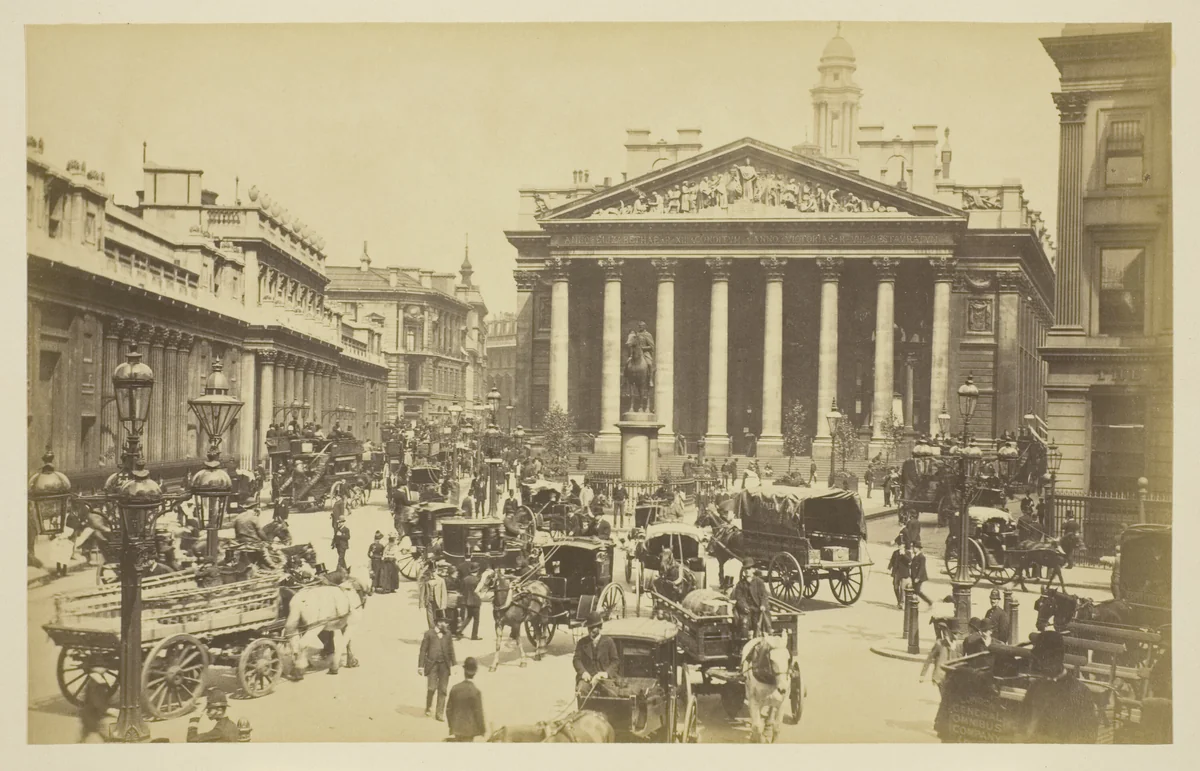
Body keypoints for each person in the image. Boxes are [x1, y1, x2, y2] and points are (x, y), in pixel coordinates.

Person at [1021, 630, 1098, 743]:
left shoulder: (1079, 691)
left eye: (1043, 659)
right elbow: (1022, 722)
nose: (1039, 665)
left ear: (1057, 658)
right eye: (1039, 660)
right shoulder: (1035, 687)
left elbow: (1088, 736)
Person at [418, 612, 457, 721]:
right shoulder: (429, 634)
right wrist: (420, 666)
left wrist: (454, 664)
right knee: (431, 688)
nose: (447, 624)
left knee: (443, 689)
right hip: (432, 665)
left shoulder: (448, 634)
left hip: (445, 665)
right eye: (445, 622)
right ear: (439, 623)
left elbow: (451, 650)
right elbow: (423, 650)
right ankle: (428, 706)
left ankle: (439, 713)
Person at [573, 612, 618, 701]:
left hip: (605, 679)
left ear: (599, 627)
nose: (591, 631)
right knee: (581, 691)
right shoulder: (582, 642)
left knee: (612, 694)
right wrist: (583, 672)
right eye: (589, 628)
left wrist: (606, 673)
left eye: (593, 628)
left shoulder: (609, 642)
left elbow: (615, 661)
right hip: (588, 679)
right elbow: (576, 660)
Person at [446, 657, 486, 742]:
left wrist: (452, 725)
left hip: (456, 728)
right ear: (475, 672)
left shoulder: (455, 688)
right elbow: (478, 713)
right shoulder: (476, 692)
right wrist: (482, 730)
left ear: (464, 670)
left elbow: (448, 710)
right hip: (469, 731)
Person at [731, 559, 771, 638]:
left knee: (760, 625)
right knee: (744, 624)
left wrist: (763, 605)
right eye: (745, 569)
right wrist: (744, 607)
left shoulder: (759, 582)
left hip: (758, 609)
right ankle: (743, 644)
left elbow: (764, 596)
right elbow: (739, 598)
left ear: (753, 569)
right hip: (746, 610)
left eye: (749, 569)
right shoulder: (740, 584)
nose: (747, 571)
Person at [919, 619, 961, 696]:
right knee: (946, 697)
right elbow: (929, 659)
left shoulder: (957, 646)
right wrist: (922, 675)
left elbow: (960, 661)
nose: (956, 636)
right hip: (941, 677)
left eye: (958, 634)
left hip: (953, 677)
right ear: (948, 633)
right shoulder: (939, 644)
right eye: (954, 633)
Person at [78, 673, 112, 743]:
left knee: (89, 728)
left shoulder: (92, 685)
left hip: (90, 710)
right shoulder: (99, 686)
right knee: (96, 727)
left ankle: (82, 740)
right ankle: (106, 739)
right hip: (93, 711)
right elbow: (98, 700)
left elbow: (88, 697)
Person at [420, 559, 448, 628]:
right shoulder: (426, 580)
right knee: (430, 616)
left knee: (439, 618)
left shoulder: (441, 580)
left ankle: (438, 630)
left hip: (438, 602)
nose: (433, 573)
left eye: (434, 571)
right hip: (429, 601)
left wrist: (443, 604)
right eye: (431, 572)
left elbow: (444, 594)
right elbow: (422, 593)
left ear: (437, 571)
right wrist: (421, 604)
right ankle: (431, 629)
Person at [458, 562, 482, 640]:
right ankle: (474, 636)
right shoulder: (478, 580)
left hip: (467, 601)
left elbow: (461, 589)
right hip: (475, 601)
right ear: (477, 570)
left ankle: (459, 630)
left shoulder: (465, 579)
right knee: (476, 619)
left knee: (468, 617)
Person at [887, 542, 912, 609]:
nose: (899, 546)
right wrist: (889, 567)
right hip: (896, 572)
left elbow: (909, 561)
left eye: (901, 545)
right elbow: (892, 560)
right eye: (899, 545)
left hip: (904, 573)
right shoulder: (895, 552)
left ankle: (901, 603)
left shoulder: (907, 553)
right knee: (895, 587)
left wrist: (903, 554)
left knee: (902, 588)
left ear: (904, 545)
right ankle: (899, 600)